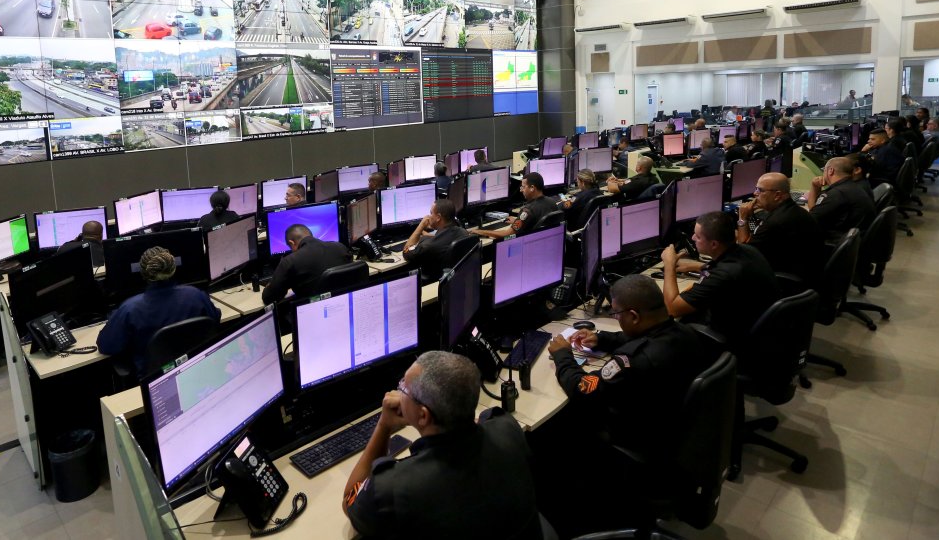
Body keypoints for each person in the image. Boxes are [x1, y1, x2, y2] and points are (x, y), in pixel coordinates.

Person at [537, 275, 715, 536]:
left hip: (640, 444)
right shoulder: (685, 332)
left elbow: (582, 389)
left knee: (554, 424)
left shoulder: (633, 363)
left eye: (616, 313)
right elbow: (648, 337)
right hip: (673, 433)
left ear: (633, 315)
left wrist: (563, 355)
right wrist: (603, 338)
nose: (615, 317)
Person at [342, 351, 542, 540]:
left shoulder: (392, 487)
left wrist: (384, 425)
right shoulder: (506, 427)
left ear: (423, 415)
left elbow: (350, 501)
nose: (398, 391)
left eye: (403, 388)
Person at [661, 211, 780, 352]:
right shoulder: (748, 251)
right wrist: (696, 266)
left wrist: (669, 264)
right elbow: (723, 267)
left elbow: (672, 309)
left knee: (663, 328)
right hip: (761, 332)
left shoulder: (723, 275)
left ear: (714, 244)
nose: (692, 238)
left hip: (733, 342)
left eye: (698, 237)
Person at [97, 247, 221, 375]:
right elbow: (214, 320)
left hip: (153, 379)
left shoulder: (130, 309)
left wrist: (114, 318)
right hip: (197, 368)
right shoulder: (196, 295)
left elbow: (106, 346)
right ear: (173, 268)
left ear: (143, 272)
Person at [735, 172, 821, 284]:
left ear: (777, 195)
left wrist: (742, 219)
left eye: (760, 190)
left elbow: (745, 255)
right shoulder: (794, 211)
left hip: (786, 283)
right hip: (807, 275)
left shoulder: (775, 222)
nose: (755, 193)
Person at [261, 224, 351, 304]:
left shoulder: (290, 261)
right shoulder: (340, 247)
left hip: (310, 313)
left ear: (292, 243)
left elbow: (269, 299)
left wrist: (270, 285)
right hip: (344, 304)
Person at [805, 156, 878, 240]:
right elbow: (816, 211)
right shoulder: (853, 186)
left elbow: (810, 220)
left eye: (824, 170)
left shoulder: (838, 194)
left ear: (830, 171)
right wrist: (815, 187)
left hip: (837, 244)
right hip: (855, 241)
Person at [401, 199, 471, 283]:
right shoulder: (463, 232)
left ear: (438, 217)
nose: (428, 216)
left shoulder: (429, 246)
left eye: (431, 213)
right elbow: (444, 238)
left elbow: (406, 251)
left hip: (432, 284)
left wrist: (421, 226)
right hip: (458, 282)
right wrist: (428, 235)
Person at [469, 172, 556, 239]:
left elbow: (508, 234)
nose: (521, 190)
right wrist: (518, 220)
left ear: (532, 188)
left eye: (523, 187)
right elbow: (538, 221)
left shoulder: (528, 211)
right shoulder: (552, 202)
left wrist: (482, 232)